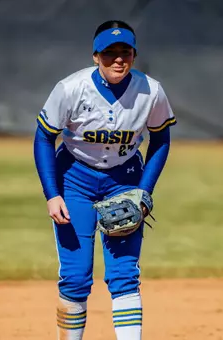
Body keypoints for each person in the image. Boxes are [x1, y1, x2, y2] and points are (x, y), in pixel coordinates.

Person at [33, 20, 176, 340]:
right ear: (95, 55)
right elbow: (44, 138)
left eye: (125, 51)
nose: (118, 59)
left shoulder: (150, 91)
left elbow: (161, 139)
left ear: (134, 54)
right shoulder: (71, 88)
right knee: (75, 277)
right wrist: (52, 193)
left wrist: (144, 191)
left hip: (124, 179)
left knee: (124, 275)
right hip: (74, 179)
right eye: (109, 52)